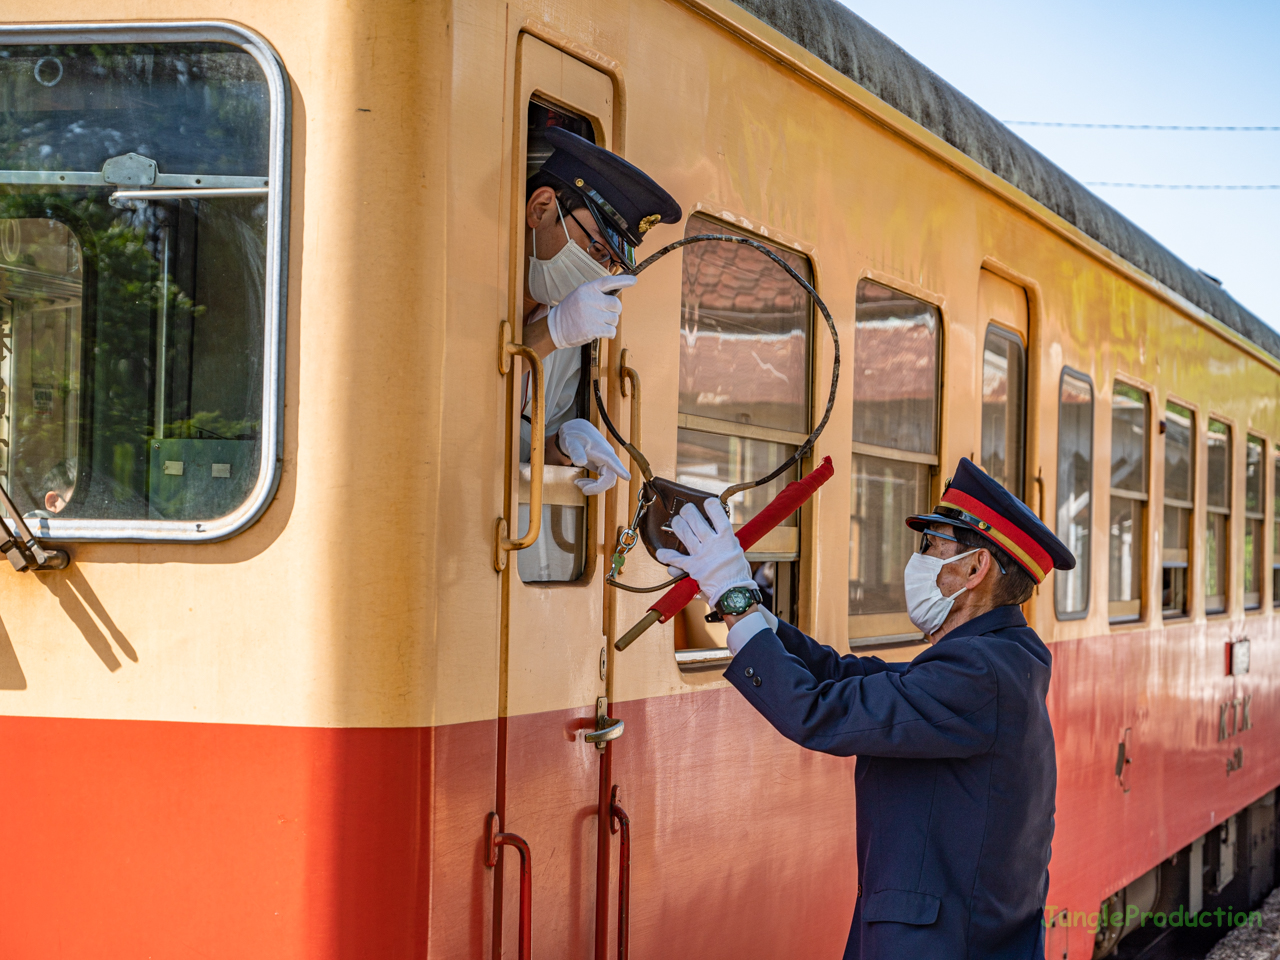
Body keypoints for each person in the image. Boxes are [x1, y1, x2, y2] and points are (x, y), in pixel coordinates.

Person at [657, 457, 1075, 959]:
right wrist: (745, 605)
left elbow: (818, 712)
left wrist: (734, 594)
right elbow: (844, 675)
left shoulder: (978, 673)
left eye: (933, 547)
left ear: (974, 568)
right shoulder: (996, 658)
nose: (919, 561)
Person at [518, 126, 680, 495]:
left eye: (611, 264)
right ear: (540, 208)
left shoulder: (569, 329)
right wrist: (551, 334)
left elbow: (506, 449)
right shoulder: (460, 284)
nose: (599, 274)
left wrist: (560, 447)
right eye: (596, 250)